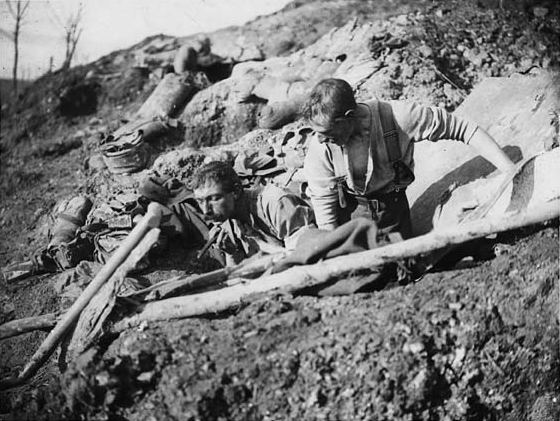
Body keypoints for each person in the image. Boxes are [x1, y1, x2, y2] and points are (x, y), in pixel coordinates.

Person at [302, 78, 516, 238]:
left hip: (394, 213)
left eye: (327, 133)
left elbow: (463, 129)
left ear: (349, 118)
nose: (320, 140)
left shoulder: (397, 117)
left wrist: (511, 171)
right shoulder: (321, 148)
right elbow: (324, 204)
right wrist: (330, 247)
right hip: (350, 219)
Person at [172, 161, 316, 265]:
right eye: (200, 201)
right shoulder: (227, 220)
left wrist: (262, 245)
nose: (205, 210)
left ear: (235, 191)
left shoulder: (275, 203)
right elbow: (237, 280)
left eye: (214, 199)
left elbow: (306, 256)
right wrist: (231, 253)